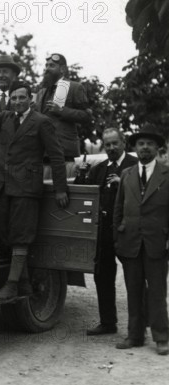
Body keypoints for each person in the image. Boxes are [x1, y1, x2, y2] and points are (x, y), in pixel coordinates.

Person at [0, 81, 68, 301]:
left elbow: (56, 155)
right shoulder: (5, 117)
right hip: (2, 186)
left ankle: (12, 285)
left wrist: (61, 188)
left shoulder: (42, 122)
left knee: (20, 237)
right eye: (13, 98)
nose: (17, 102)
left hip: (26, 188)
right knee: (6, 234)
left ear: (30, 99)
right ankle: (23, 284)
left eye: (21, 98)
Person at [74, 127, 138, 335]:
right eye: (107, 144)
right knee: (102, 276)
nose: (111, 148)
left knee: (134, 277)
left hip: (127, 231)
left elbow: (146, 195)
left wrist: (124, 183)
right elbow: (84, 194)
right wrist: (82, 175)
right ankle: (108, 323)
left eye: (115, 143)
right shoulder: (99, 168)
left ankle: (139, 327)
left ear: (123, 143)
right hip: (103, 232)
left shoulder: (135, 166)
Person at [113, 123, 169, 355]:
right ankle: (134, 336)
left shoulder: (167, 174)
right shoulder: (126, 174)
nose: (145, 147)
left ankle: (161, 337)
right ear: (135, 148)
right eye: (141, 144)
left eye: (150, 144)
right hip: (131, 242)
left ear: (158, 148)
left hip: (157, 242)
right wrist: (118, 236)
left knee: (157, 291)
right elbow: (118, 209)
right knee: (133, 290)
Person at [34, 53, 90, 167]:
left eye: (51, 65)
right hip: (42, 152)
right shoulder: (41, 93)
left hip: (63, 152)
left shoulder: (74, 87)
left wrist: (61, 110)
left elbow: (87, 116)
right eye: (46, 65)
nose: (47, 69)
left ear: (63, 69)